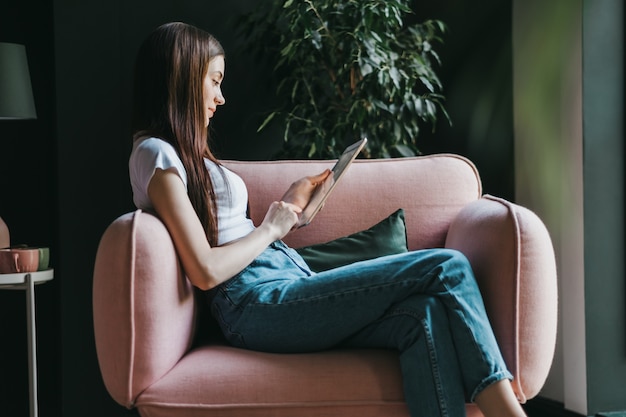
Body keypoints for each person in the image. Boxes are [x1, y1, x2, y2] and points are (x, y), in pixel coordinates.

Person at [128, 21, 527, 417]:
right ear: (182, 79)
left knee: (423, 314)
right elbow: (204, 270)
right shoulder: (155, 154)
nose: (221, 97)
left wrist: (290, 210)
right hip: (256, 301)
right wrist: (271, 229)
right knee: (448, 266)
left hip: (283, 280)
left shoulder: (188, 158)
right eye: (214, 81)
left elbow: (227, 231)